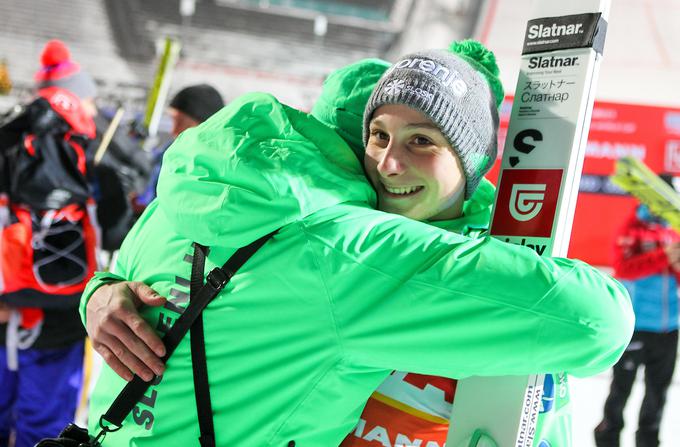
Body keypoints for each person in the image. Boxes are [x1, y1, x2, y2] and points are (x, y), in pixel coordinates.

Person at [80, 45, 634, 445]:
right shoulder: (352, 251)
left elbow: (116, 273)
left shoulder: (194, 189)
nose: (389, 164)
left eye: (423, 141)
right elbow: (595, 323)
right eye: (378, 136)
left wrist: (99, 298)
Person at [0, 39, 97, 447]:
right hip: (64, 308)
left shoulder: (10, 138)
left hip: (10, 301)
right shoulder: (93, 152)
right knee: (47, 425)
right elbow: (115, 227)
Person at [594, 200, 680, 447]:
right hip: (636, 325)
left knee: (658, 392)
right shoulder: (632, 229)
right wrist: (664, 255)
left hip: (668, 328)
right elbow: (625, 269)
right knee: (621, 388)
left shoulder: (674, 229)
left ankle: (648, 440)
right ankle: (608, 436)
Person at [133, 84, 224, 210]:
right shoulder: (170, 150)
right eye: (173, 120)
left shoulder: (211, 167)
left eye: (180, 121)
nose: (173, 130)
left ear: (202, 125)